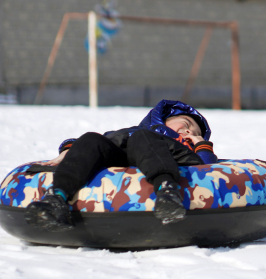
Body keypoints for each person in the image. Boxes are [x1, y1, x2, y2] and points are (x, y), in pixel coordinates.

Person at [25, 99, 217, 231]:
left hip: (164, 158)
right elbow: (99, 143)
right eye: (185, 123)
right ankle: (56, 198)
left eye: (195, 132)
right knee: (92, 138)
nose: (188, 131)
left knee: (144, 138)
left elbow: (207, 169)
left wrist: (200, 145)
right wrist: (69, 150)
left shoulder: (186, 148)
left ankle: (168, 194)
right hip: (123, 155)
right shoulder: (134, 131)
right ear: (165, 119)